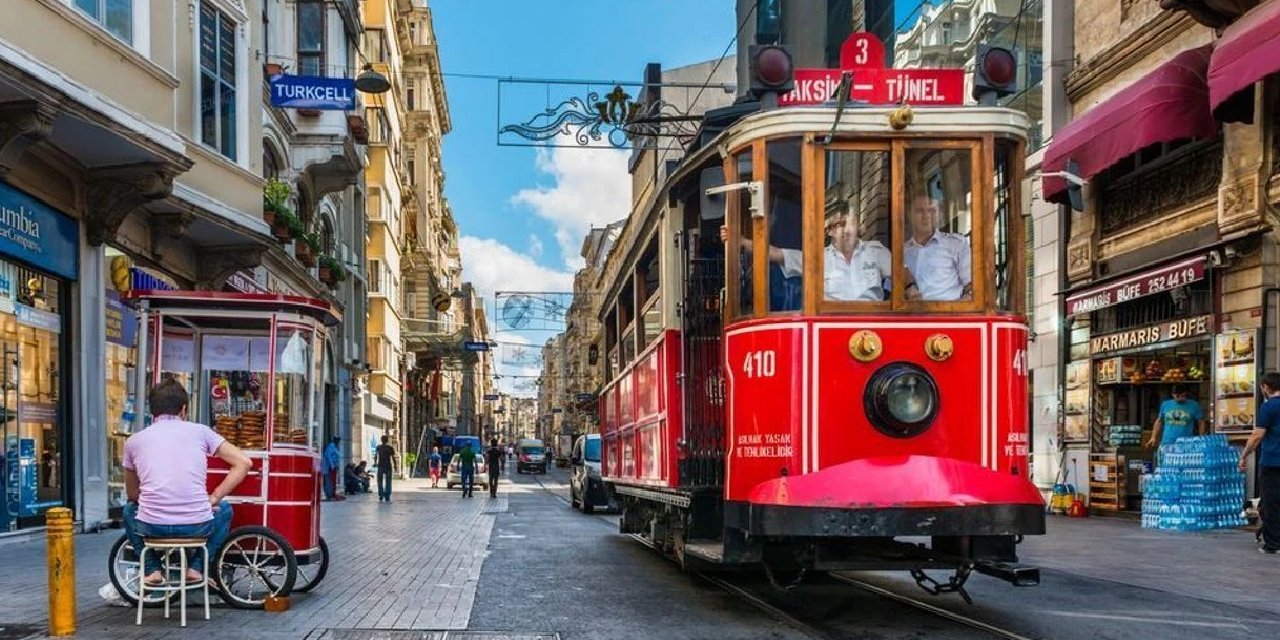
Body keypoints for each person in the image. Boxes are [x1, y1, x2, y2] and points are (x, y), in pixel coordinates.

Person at [123, 379, 252, 586]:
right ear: (183, 409)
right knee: (225, 509)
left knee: (129, 510)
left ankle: (151, 569)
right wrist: (215, 497)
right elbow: (244, 462)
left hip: (152, 527)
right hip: (196, 526)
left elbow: (132, 495)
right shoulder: (201, 432)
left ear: (152, 412)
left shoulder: (133, 441)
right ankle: (196, 567)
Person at [903, 194, 972, 301]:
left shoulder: (956, 245)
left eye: (931, 211)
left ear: (939, 214)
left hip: (950, 313)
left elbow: (971, 285)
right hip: (913, 314)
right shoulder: (901, 252)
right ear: (909, 215)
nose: (926, 215)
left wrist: (963, 307)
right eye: (920, 211)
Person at [1242, 371, 1280, 554]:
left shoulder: (1269, 407)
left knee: (1271, 503)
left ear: (1265, 387)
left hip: (1273, 462)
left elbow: (1257, 436)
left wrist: (1244, 455)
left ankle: (1273, 544)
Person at [1146, 385, 1206, 451]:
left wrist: (1201, 438)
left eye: (1182, 396)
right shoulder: (1165, 404)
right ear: (1172, 394)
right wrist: (1153, 437)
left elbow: (1201, 422)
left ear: (1185, 394)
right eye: (1177, 396)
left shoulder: (1194, 405)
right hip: (1167, 443)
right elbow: (1159, 421)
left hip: (1186, 444)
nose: (1180, 398)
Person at [375, 435, 397, 502]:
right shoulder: (390, 448)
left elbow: (376, 456)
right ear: (387, 440)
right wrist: (395, 465)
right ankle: (387, 495)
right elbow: (393, 457)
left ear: (381, 440)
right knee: (388, 481)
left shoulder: (378, 447)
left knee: (379, 481)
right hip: (388, 466)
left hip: (380, 465)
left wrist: (375, 462)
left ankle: (381, 494)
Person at [321, 436, 343, 501]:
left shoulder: (335, 447)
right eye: (338, 441)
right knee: (329, 481)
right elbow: (329, 456)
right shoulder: (331, 446)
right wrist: (332, 465)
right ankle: (329, 494)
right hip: (330, 468)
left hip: (334, 467)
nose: (338, 442)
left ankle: (332, 493)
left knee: (333, 481)